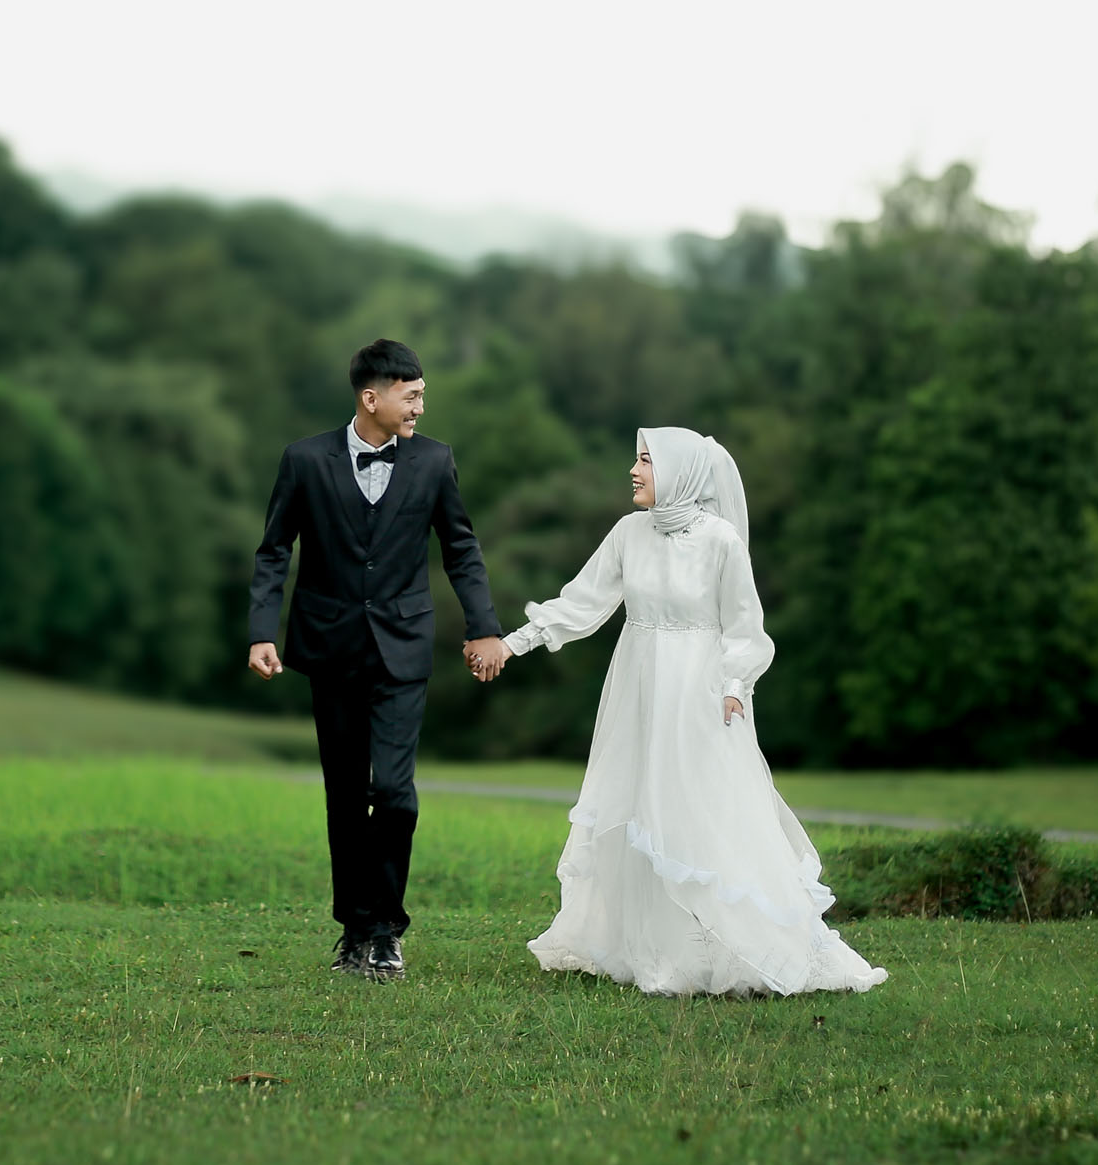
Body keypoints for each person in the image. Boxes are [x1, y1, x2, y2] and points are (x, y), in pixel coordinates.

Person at [485, 426, 887, 997]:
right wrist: (513, 643)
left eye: (646, 460)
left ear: (681, 472)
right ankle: (657, 947)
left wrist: (735, 684)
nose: (634, 471)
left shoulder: (721, 541)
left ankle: (736, 942)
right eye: (637, 459)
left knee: (699, 805)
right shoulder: (628, 533)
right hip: (638, 686)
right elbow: (583, 601)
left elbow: (744, 624)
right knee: (638, 801)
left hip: (700, 689)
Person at [247, 339, 512, 981]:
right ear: (372, 397)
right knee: (344, 796)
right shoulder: (304, 460)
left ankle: (388, 929)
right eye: (411, 396)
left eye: (422, 396)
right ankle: (355, 930)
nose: (420, 407)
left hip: (403, 648)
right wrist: (261, 632)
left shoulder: (434, 461)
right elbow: (275, 550)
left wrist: (485, 628)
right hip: (330, 646)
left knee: (393, 794)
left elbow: (461, 549)